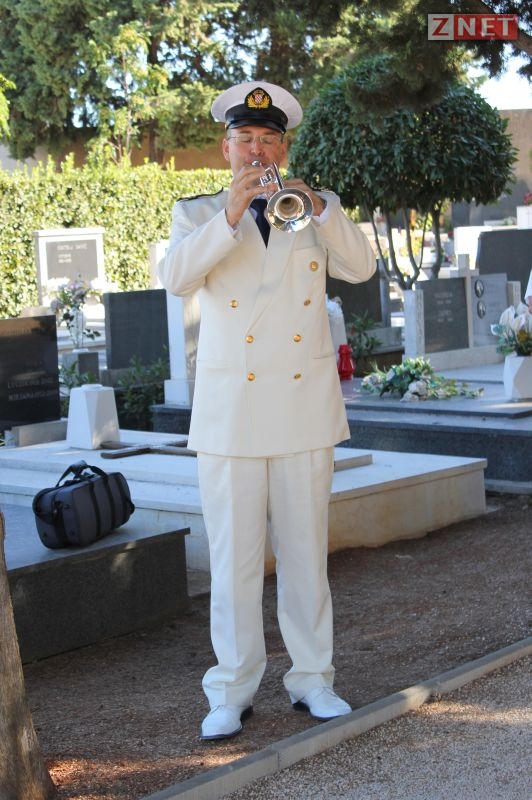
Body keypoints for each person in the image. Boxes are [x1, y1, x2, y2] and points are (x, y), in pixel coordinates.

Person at [158, 80, 376, 741]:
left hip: (303, 409)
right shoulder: (198, 213)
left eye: (269, 139)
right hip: (232, 414)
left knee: (307, 558)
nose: (257, 150)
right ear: (226, 148)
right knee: (234, 563)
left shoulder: (311, 208)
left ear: (285, 147)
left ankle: (313, 680)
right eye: (245, 139)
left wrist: (322, 208)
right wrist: (230, 216)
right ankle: (231, 690)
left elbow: (362, 268)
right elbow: (176, 278)